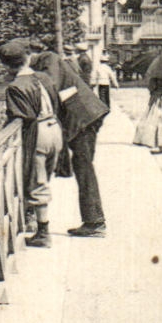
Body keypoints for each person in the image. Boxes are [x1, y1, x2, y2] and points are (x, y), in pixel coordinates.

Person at [34, 49, 110, 238]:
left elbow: (50, 85)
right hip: (83, 116)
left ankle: (95, 222)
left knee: (84, 168)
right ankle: (93, 220)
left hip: (83, 118)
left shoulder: (48, 58)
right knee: (83, 167)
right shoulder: (46, 61)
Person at [0, 39, 64, 248]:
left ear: (6, 65)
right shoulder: (44, 78)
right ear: (27, 58)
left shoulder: (15, 87)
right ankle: (33, 220)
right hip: (54, 128)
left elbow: (22, 116)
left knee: (37, 181)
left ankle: (43, 233)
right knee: (44, 177)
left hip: (38, 134)